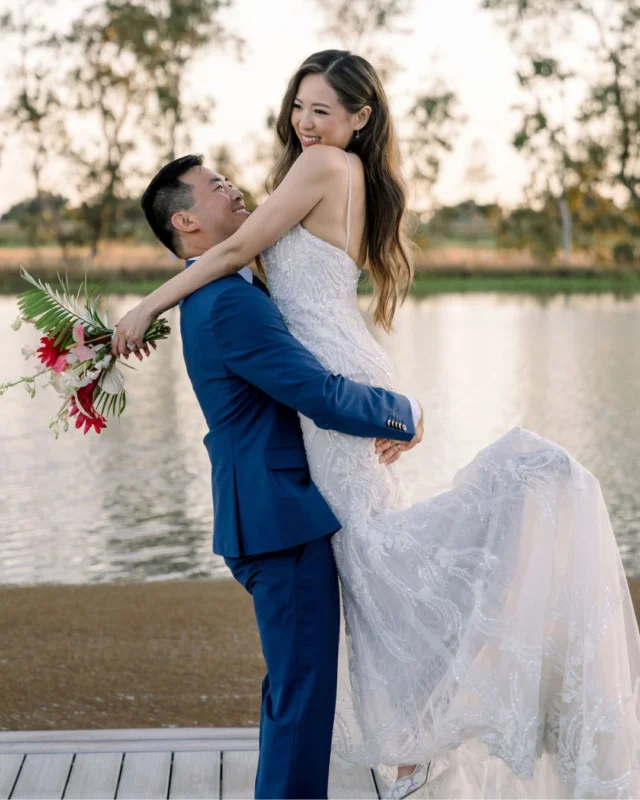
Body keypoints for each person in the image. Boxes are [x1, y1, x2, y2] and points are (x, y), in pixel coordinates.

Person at [113, 50, 640, 798]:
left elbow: (233, 249)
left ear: (361, 119)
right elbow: (239, 259)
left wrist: (145, 304)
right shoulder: (325, 180)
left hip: (339, 383)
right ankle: (416, 731)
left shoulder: (323, 168)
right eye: (299, 107)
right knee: (373, 562)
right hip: (343, 373)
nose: (305, 123)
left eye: (322, 110)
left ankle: (417, 730)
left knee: (375, 558)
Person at [132, 153, 423, 800]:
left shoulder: (218, 291)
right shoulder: (227, 302)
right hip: (278, 519)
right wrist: (403, 413)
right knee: (302, 702)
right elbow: (314, 392)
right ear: (185, 220)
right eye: (214, 187)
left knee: (295, 693)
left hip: (270, 515)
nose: (231, 187)